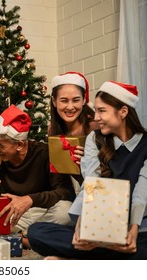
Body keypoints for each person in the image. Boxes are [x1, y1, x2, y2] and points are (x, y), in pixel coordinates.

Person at [27, 81, 147, 259]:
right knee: (36, 231)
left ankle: (81, 259)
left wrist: (133, 229)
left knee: (140, 248)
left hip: (139, 226)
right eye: (96, 110)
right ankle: (111, 255)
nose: (96, 117)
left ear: (123, 112)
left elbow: (142, 190)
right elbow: (91, 182)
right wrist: (83, 225)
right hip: (102, 222)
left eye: (102, 111)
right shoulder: (95, 139)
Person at [0, 105, 76, 235]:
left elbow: (66, 192)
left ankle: (26, 234)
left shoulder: (46, 154)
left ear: (19, 145)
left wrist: (30, 199)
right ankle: (33, 234)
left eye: (0, 146)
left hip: (43, 212)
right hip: (16, 214)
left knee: (66, 210)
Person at [50, 72, 99, 188]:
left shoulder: (95, 127)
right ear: (54, 101)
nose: (70, 107)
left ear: (83, 101)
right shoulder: (52, 129)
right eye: (64, 100)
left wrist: (89, 161)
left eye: (76, 100)